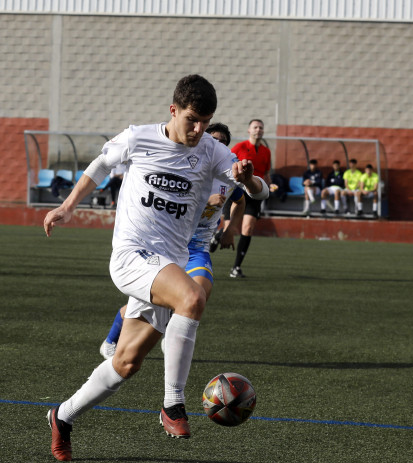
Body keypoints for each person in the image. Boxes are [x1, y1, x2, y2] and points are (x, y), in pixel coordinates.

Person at [43, 75, 268, 461]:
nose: (198, 130)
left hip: (169, 263)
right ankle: (173, 404)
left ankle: (62, 417)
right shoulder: (138, 137)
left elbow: (257, 189)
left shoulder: (212, 151)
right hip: (132, 256)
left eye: (206, 121)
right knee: (194, 297)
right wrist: (67, 206)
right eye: (192, 120)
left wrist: (249, 181)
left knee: (127, 362)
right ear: (174, 110)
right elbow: (100, 165)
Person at [100, 123, 245, 359]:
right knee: (148, 303)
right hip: (168, 244)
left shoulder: (226, 175)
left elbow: (241, 200)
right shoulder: (187, 168)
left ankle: (173, 337)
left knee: (197, 294)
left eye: (222, 142)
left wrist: (230, 230)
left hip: (198, 247)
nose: (216, 145)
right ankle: (111, 340)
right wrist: (205, 201)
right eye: (213, 139)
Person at [218, 118, 272, 278]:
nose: (258, 130)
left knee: (247, 228)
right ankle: (216, 236)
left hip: (255, 194)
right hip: (238, 191)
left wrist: (270, 186)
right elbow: (226, 165)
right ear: (249, 130)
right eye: (255, 127)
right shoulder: (239, 147)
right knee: (229, 229)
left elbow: (267, 174)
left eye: (261, 127)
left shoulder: (266, 151)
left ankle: (236, 268)